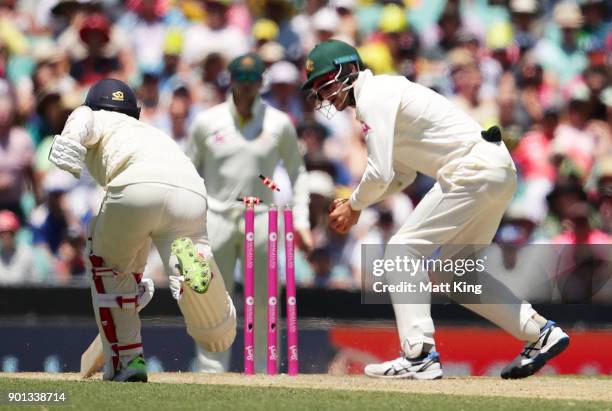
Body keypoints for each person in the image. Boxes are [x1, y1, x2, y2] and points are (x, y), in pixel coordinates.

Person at [301, 39, 569, 380]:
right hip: (494, 169)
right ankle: (541, 333)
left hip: (470, 169)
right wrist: (357, 201)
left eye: (326, 83)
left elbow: (381, 173)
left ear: (349, 70)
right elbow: (400, 175)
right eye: (318, 90)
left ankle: (419, 355)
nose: (324, 95)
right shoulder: (383, 97)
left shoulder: (374, 95)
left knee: (402, 250)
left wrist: (354, 205)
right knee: (456, 276)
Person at [48, 78, 236, 382]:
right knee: (211, 319)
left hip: (135, 185)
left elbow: (82, 117)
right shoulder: (150, 130)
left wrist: (69, 143)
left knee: (108, 264)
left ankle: (127, 361)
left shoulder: (96, 116)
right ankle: (200, 283)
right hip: (189, 190)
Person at [187, 53, 311, 372]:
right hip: (215, 216)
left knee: (264, 300)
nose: (245, 88)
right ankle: (210, 373)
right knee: (213, 301)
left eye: (252, 81)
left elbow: (297, 174)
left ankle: (262, 371)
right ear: (231, 81)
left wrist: (301, 220)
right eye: (241, 82)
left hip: (262, 216)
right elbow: (186, 172)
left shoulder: (278, 123)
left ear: (261, 83)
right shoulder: (206, 121)